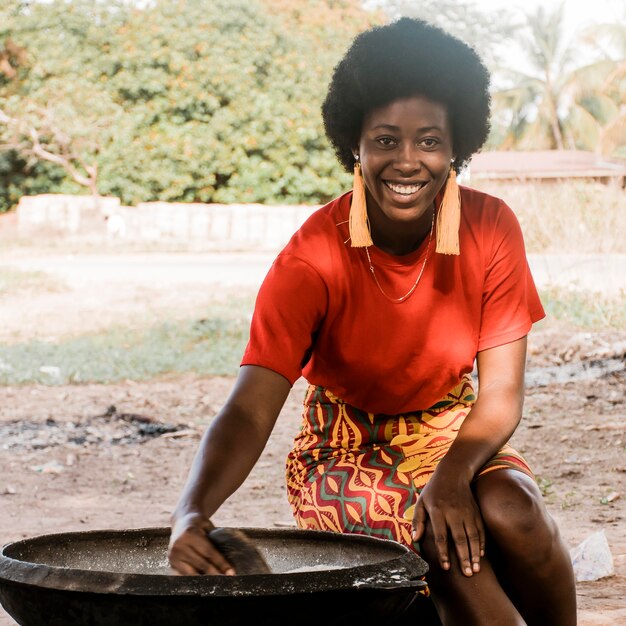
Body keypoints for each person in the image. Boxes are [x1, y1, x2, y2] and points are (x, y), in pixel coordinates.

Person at [168, 17, 577, 625]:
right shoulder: (313, 254)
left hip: (451, 430)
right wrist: (192, 512)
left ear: (456, 145)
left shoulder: (491, 227)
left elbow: (501, 394)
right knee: (438, 536)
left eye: (430, 141)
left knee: (514, 511)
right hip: (343, 449)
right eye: (385, 139)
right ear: (354, 144)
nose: (407, 161)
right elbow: (251, 407)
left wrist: (452, 474)